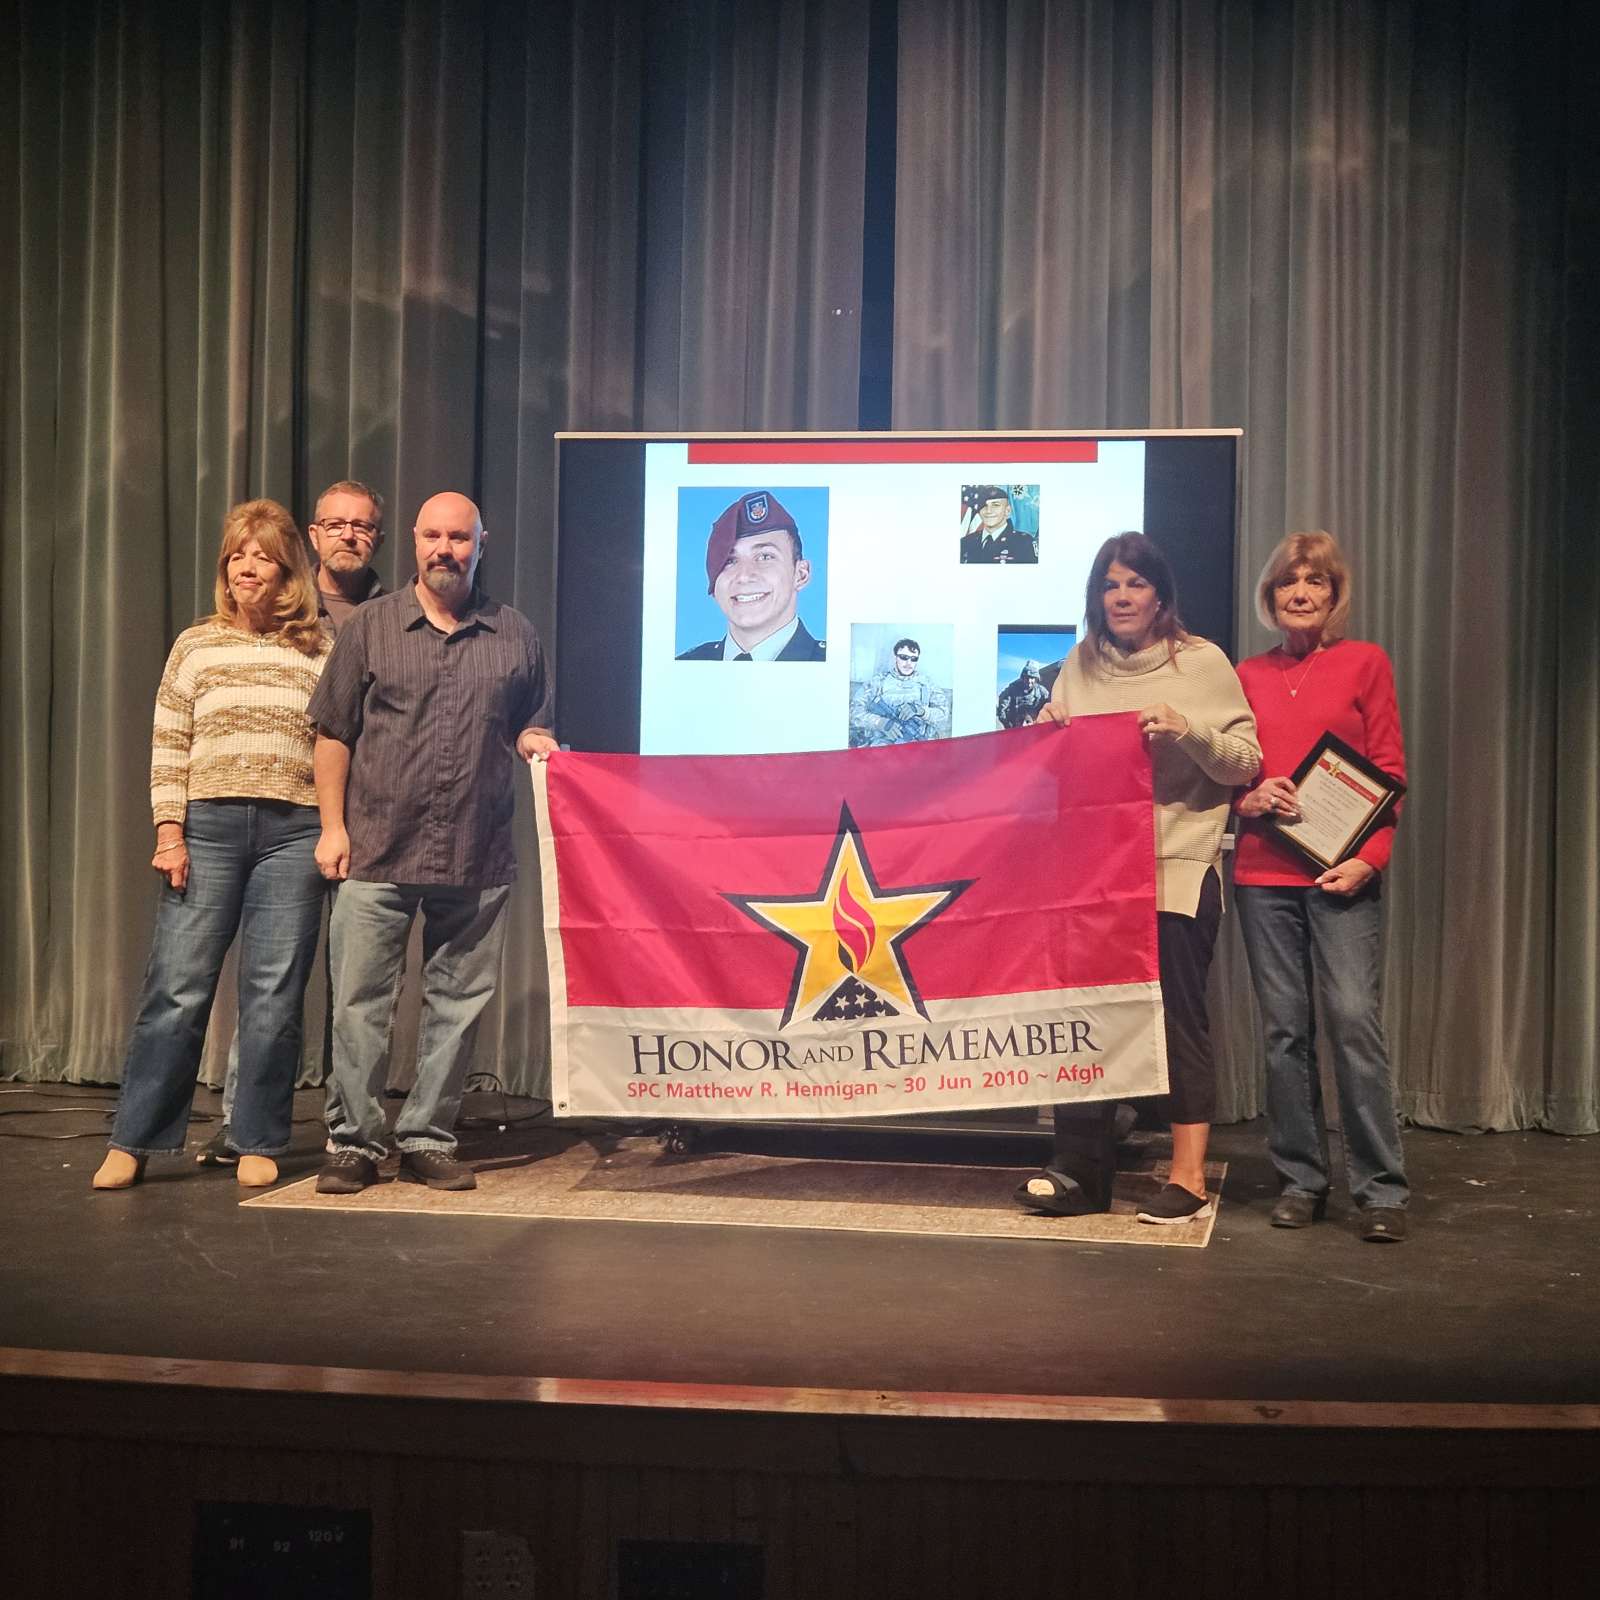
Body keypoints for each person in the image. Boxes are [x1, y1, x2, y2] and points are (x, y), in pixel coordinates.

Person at [310, 491, 557, 1194]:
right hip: (377, 847)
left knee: (457, 1005)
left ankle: (427, 1138)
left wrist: (533, 738)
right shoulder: (372, 626)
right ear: (414, 542)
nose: (444, 549)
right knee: (359, 1004)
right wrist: (332, 827)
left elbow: (532, 721)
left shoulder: (515, 634)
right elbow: (333, 733)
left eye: (459, 537)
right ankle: (354, 1144)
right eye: (433, 537)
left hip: (476, 851)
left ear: (482, 544)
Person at [1015, 532, 1260, 1223]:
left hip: (1176, 868)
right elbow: (1056, 775)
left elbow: (1246, 762)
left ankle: (1188, 1176)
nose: (1121, 597)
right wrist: (1046, 732)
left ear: (1160, 596)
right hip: (1093, 877)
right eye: (1109, 585)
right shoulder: (1080, 664)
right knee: (1086, 1019)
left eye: (1135, 584)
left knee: (1177, 1020)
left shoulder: (1202, 663)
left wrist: (1188, 731)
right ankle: (1079, 1173)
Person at [92, 500, 332, 1191]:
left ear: (288, 569)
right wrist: (169, 831)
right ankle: (134, 1140)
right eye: (236, 556)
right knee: (178, 986)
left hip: (295, 832)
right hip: (209, 829)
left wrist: (333, 826)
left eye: (261, 556)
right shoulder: (196, 645)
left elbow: (337, 744)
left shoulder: (319, 648)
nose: (246, 567)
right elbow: (170, 740)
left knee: (273, 992)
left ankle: (257, 1137)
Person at [197, 479, 388, 1169]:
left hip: (373, 822)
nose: (348, 536)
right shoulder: (286, 611)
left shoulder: (394, 614)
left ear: (377, 538)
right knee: (271, 976)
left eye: (361, 526)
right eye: (335, 524)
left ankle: (347, 1128)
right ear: (312, 535)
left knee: (355, 985)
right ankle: (242, 1124)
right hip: (297, 817)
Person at [1233, 531, 1410, 1242]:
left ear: (1335, 595)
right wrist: (1246, 799)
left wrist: (1373, 858)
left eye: (1315, 582)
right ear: (1270, 595)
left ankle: (1382, 1190)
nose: (1300, 593)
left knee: (1353, 1022)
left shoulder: (1365, 662)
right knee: (1285, 1032)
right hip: (1262, 874)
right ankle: (1301, 1180)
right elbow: (1229, 770)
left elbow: (1390, 770)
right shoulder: (1245, 674)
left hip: (1345, 873)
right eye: (1288, 582)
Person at [677, 490, 825, 660]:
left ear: (800, 575)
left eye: (765, 557)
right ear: (714, 587)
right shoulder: (685, 664)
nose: (744, 576)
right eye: (729, 560)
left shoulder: (834, 664)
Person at [849, 637, 951, 746]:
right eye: (903, 657)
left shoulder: (926, 684)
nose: (908, 663)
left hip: (918, 743)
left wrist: (921, 711)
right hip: (882, 744)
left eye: (913, 659)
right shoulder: (878, 682)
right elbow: (854, 711)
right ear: (895, 658)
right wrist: (880, 722)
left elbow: (944, 715)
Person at [959, 485, 1035, 565]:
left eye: (995, 505)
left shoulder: (1024, 543)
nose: (988, 511)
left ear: (1007, 510)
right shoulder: (965, 542)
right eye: (984, 505)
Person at [996, 660, 1048, 728]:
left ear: (1036, 679)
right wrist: (1008, 726)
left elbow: (1047, 709)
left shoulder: (1042, 692)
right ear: (1023, 677)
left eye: (1032, 678)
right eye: (1027, 677)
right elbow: (1001, 708)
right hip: (1015, 727)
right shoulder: (1012, 688)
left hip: (1034, 726)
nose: (1029, 681)